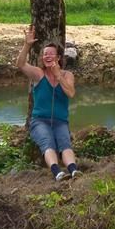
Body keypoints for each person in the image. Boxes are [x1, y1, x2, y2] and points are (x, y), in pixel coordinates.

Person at [16, 25, 80, 181]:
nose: (48, 56)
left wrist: (58, 75)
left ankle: (74, 171)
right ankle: (57, 172)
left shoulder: (67, 75)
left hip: (60, 121)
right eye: (45, 54)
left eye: (51, 54)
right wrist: (27, 45)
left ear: (58, 58)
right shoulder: (39, 74)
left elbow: (71, 93)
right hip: (40, 121)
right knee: (48, 142)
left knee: (65, 143)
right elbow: (20, 65)